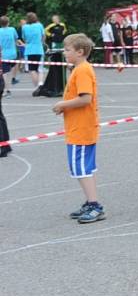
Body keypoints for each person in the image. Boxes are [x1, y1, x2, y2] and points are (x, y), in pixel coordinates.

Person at [53, 33, 105, 223]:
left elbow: (85, 98)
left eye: (67, 50)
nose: (65, 53)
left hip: (81, 129)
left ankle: (95, 205)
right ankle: (90, 202)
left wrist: (62, 104)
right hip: (81, 127)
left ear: (80, 52)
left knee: (81, 169)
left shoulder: (82, 70)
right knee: (84, 168)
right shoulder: (78, 69)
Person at [41, 14, 68, 97]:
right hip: (54, 43)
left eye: (56, 19)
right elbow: (45, 31)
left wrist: (62, 35)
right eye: (53, 19)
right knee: (55, 56)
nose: (55, 20)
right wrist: (51, 35)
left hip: (61, 43)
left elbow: (65, 31)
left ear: (58, 19)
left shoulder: (62, 25)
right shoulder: (51, 26)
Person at [22, 12, 45, 90]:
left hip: (29, 50)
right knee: (40, 69)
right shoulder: (40, 25)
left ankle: (36, 87)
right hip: (39, 49)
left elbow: (24, 38)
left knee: (32, 70)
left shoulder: (24, 27)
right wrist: (41, 43)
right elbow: (43, 36)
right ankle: (41, 84)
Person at [0, 16, 19, 95]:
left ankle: (7, 90)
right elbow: (16, 39)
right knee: (13, 66)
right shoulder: (12, 29)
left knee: (5, 73)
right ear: (8, 22)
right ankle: (14, 78)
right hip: (13, 53)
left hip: (3, 55)